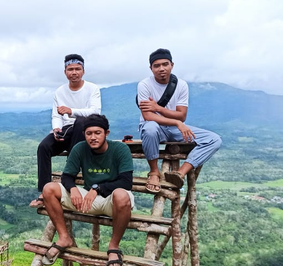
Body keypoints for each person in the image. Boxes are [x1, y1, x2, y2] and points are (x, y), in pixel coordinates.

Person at [40, 114, 133, 266]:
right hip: (87, 201)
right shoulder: (80, 148)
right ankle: (64, 237)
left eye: (98, 133)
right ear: (84, 134)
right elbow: (67, 176)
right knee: (49, 188)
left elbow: (126, 182)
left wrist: (97, 188)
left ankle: (113, 247)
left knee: (121, 195)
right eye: (89, 133)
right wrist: (73, 188)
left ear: (106, 133)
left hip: (112, 201)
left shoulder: (120, 149)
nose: (93, 137)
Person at [138, 48, 222, 192]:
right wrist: (176, 122)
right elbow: (148, 116)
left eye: (165, 64)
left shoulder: (181, 85)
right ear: (151, 68)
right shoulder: (144, 85)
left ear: (172, 65)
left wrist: (159, 108)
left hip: (174, 129)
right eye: (156, 65)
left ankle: (180, 173)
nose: (161, 68)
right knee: (150, 128)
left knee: (215, 140)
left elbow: (182, 115)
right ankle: (154, 172)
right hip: (155, 127)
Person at [30, 54, 102, 208]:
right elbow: (56, 114)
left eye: (77, 69)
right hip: (65, 131)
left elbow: (95, 112)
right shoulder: (60, 91)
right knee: (44, 147)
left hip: (84, 131)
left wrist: (71, 111)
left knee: (80, 121)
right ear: (65, 72)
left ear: (83, 71)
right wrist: (56, 128)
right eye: (70, 69)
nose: (74, 72)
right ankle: (43, 190)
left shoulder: (92, 89)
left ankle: (71, 172)